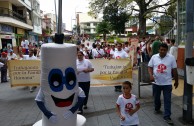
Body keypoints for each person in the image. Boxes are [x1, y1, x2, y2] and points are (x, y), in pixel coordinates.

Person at [148, 43, 179, 125]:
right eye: (161, 49)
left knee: (167, 100)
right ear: (158, 50)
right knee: (156, 98)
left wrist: (176, 81)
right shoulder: (154, 57)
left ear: (167, 50)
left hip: (167, 83)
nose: (162, 51)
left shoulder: (171, 58)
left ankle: (167, 116)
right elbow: (150, 67)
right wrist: (151, 75)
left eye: (164, 50)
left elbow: (175, 70)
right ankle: (157, 108)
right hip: (156, 83)